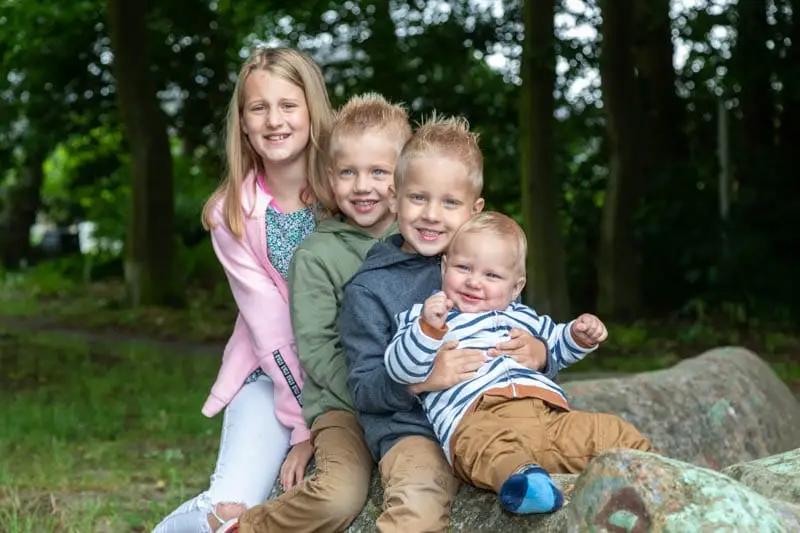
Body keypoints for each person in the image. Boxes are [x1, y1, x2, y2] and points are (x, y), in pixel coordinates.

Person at [152, 46, 334, 533]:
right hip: (272, 375)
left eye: (288, 105)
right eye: (259, 108)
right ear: (244, 124)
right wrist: (303, 426)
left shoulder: (349, 192)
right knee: (233, 511)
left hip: (348, 372)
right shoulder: (232, 215)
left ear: (313, 110)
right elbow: (273, 332)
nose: (275, 120)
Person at [339, 115, 550, 532]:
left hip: (490, 417)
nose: (432, 215)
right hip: (414, 432)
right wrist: (420, 380)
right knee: (419, 508)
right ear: (394, 197)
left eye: (450, 203)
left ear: (475, 210)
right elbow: (364, 389)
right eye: (418, 198)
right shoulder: (370, 289)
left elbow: (522, 338)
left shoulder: (487, 267)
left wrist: (541, 354)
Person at [385, 211, 654, 515]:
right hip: (478, 415)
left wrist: (579, 336)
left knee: (609, 430)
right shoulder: (426, 317)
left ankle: (657, 474)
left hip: (549, 417)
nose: (474, 282)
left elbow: (556, 346)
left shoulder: (524, 317)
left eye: (492, 275)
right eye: (463, 268)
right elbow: (399, 368)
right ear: (444, 266)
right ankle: (526, 484)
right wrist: (426, 329)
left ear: (516, 288)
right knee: (484, 446)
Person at [226, 93, 411, 533]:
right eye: (348, 173)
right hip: (344, 405)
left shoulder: (423, 242)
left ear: (404, 176)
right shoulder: (316, 255)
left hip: (417, 399)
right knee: (340, 496)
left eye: (378, 172)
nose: (362, 186)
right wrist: (381, 395)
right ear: (330, 176)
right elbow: (317, 350)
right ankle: (247, 527)